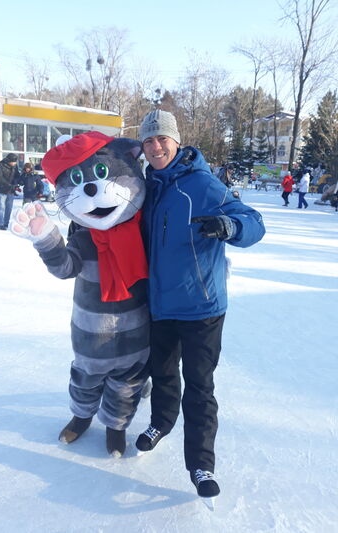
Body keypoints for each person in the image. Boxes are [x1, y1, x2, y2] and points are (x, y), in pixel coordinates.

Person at [135, 110, 265, 501]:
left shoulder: (202, 184)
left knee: (199, 387)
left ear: (176, 142)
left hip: (201, 307)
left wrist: (230, 226)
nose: (155, 147)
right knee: (162, 373)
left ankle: (201, 464)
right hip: (161, 304)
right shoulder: (147, 187)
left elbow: (253, 221)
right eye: (148, 140)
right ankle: (161, 422)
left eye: (162, 139)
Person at [0, 153, 20, 230]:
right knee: (1, 207)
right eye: (13, 162)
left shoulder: (15, 166)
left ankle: (6, 224)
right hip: (1, 189)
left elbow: (17, 175)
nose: (14, 163)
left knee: (9, 208)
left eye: (15, 162)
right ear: (9, 160)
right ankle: (0, 224)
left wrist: (15, 183)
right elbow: (0, 178)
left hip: (10, 190)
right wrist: (9, 185)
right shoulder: (0, 165)